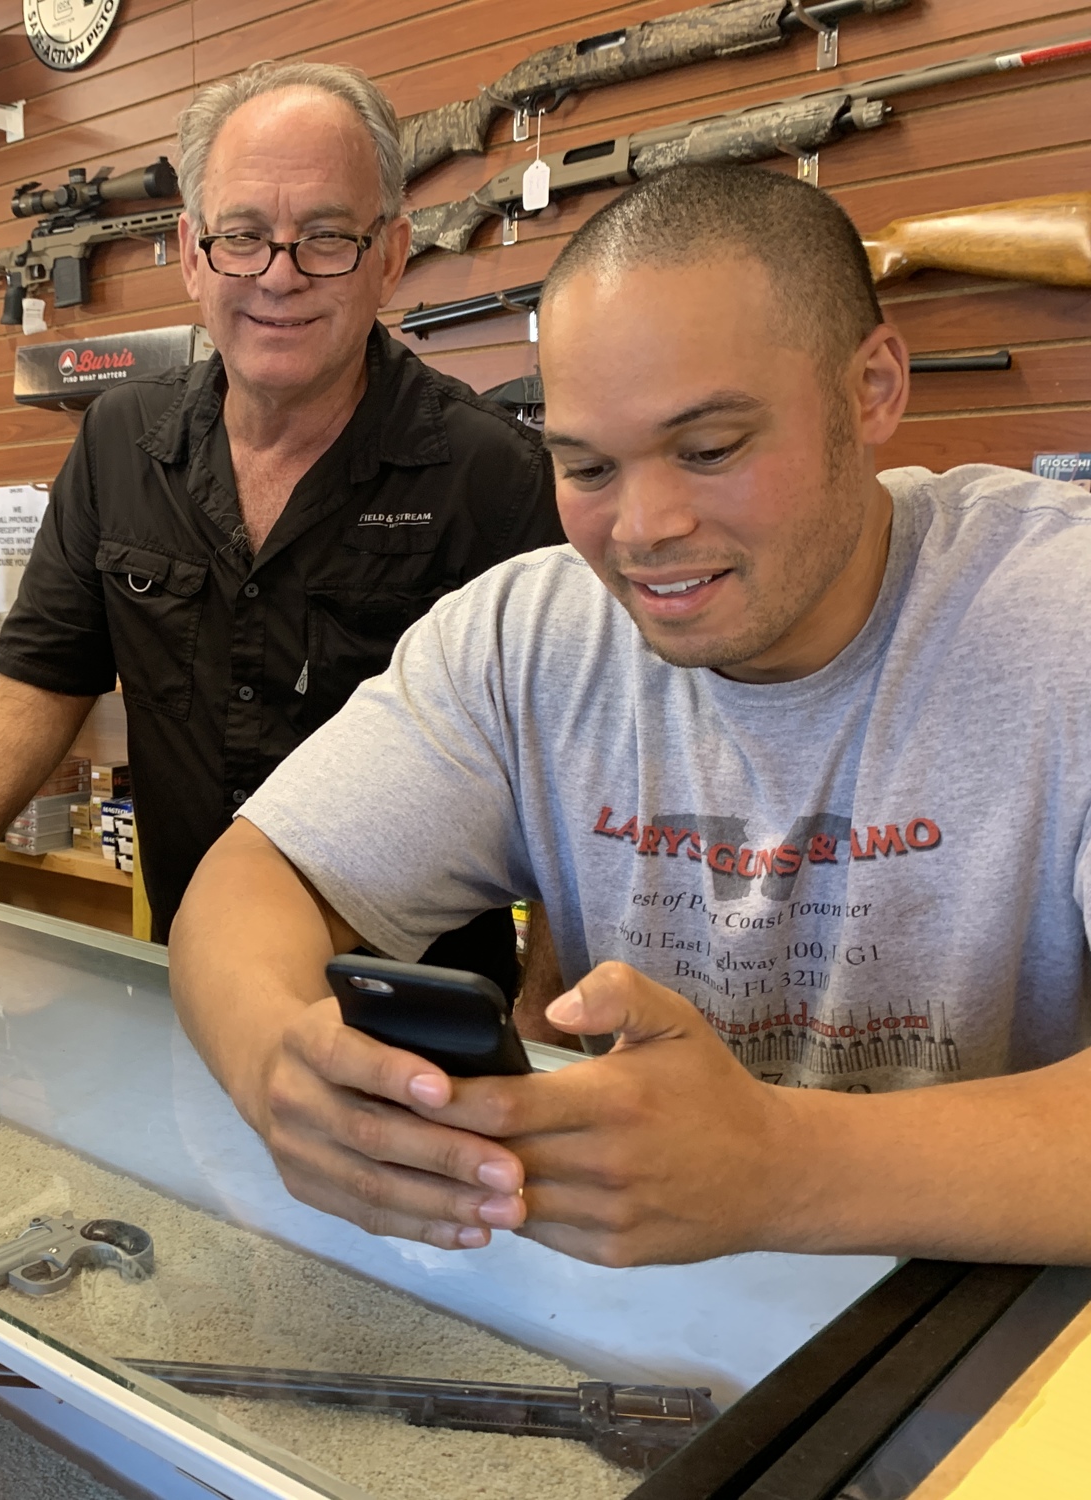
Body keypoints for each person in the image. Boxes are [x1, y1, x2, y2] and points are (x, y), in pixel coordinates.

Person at [168, 163, 1091, 1270]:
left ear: (873, 389)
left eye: (708, 450)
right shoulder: (522, 637)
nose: (642, 529)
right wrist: (283, 1071)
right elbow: (248, 886)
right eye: (586, 466)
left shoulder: (1060, 612)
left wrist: (778, 1168)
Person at [0, 62, 560, 985]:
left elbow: (562, 776)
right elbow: (44, 671)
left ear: (392, 254)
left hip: (419, 1014)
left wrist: (544, 1026)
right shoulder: (118, 440)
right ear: (194, 254)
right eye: (244, 236)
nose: (279, 276)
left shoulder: (497, 478)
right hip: (187, 986)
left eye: (326, 237)